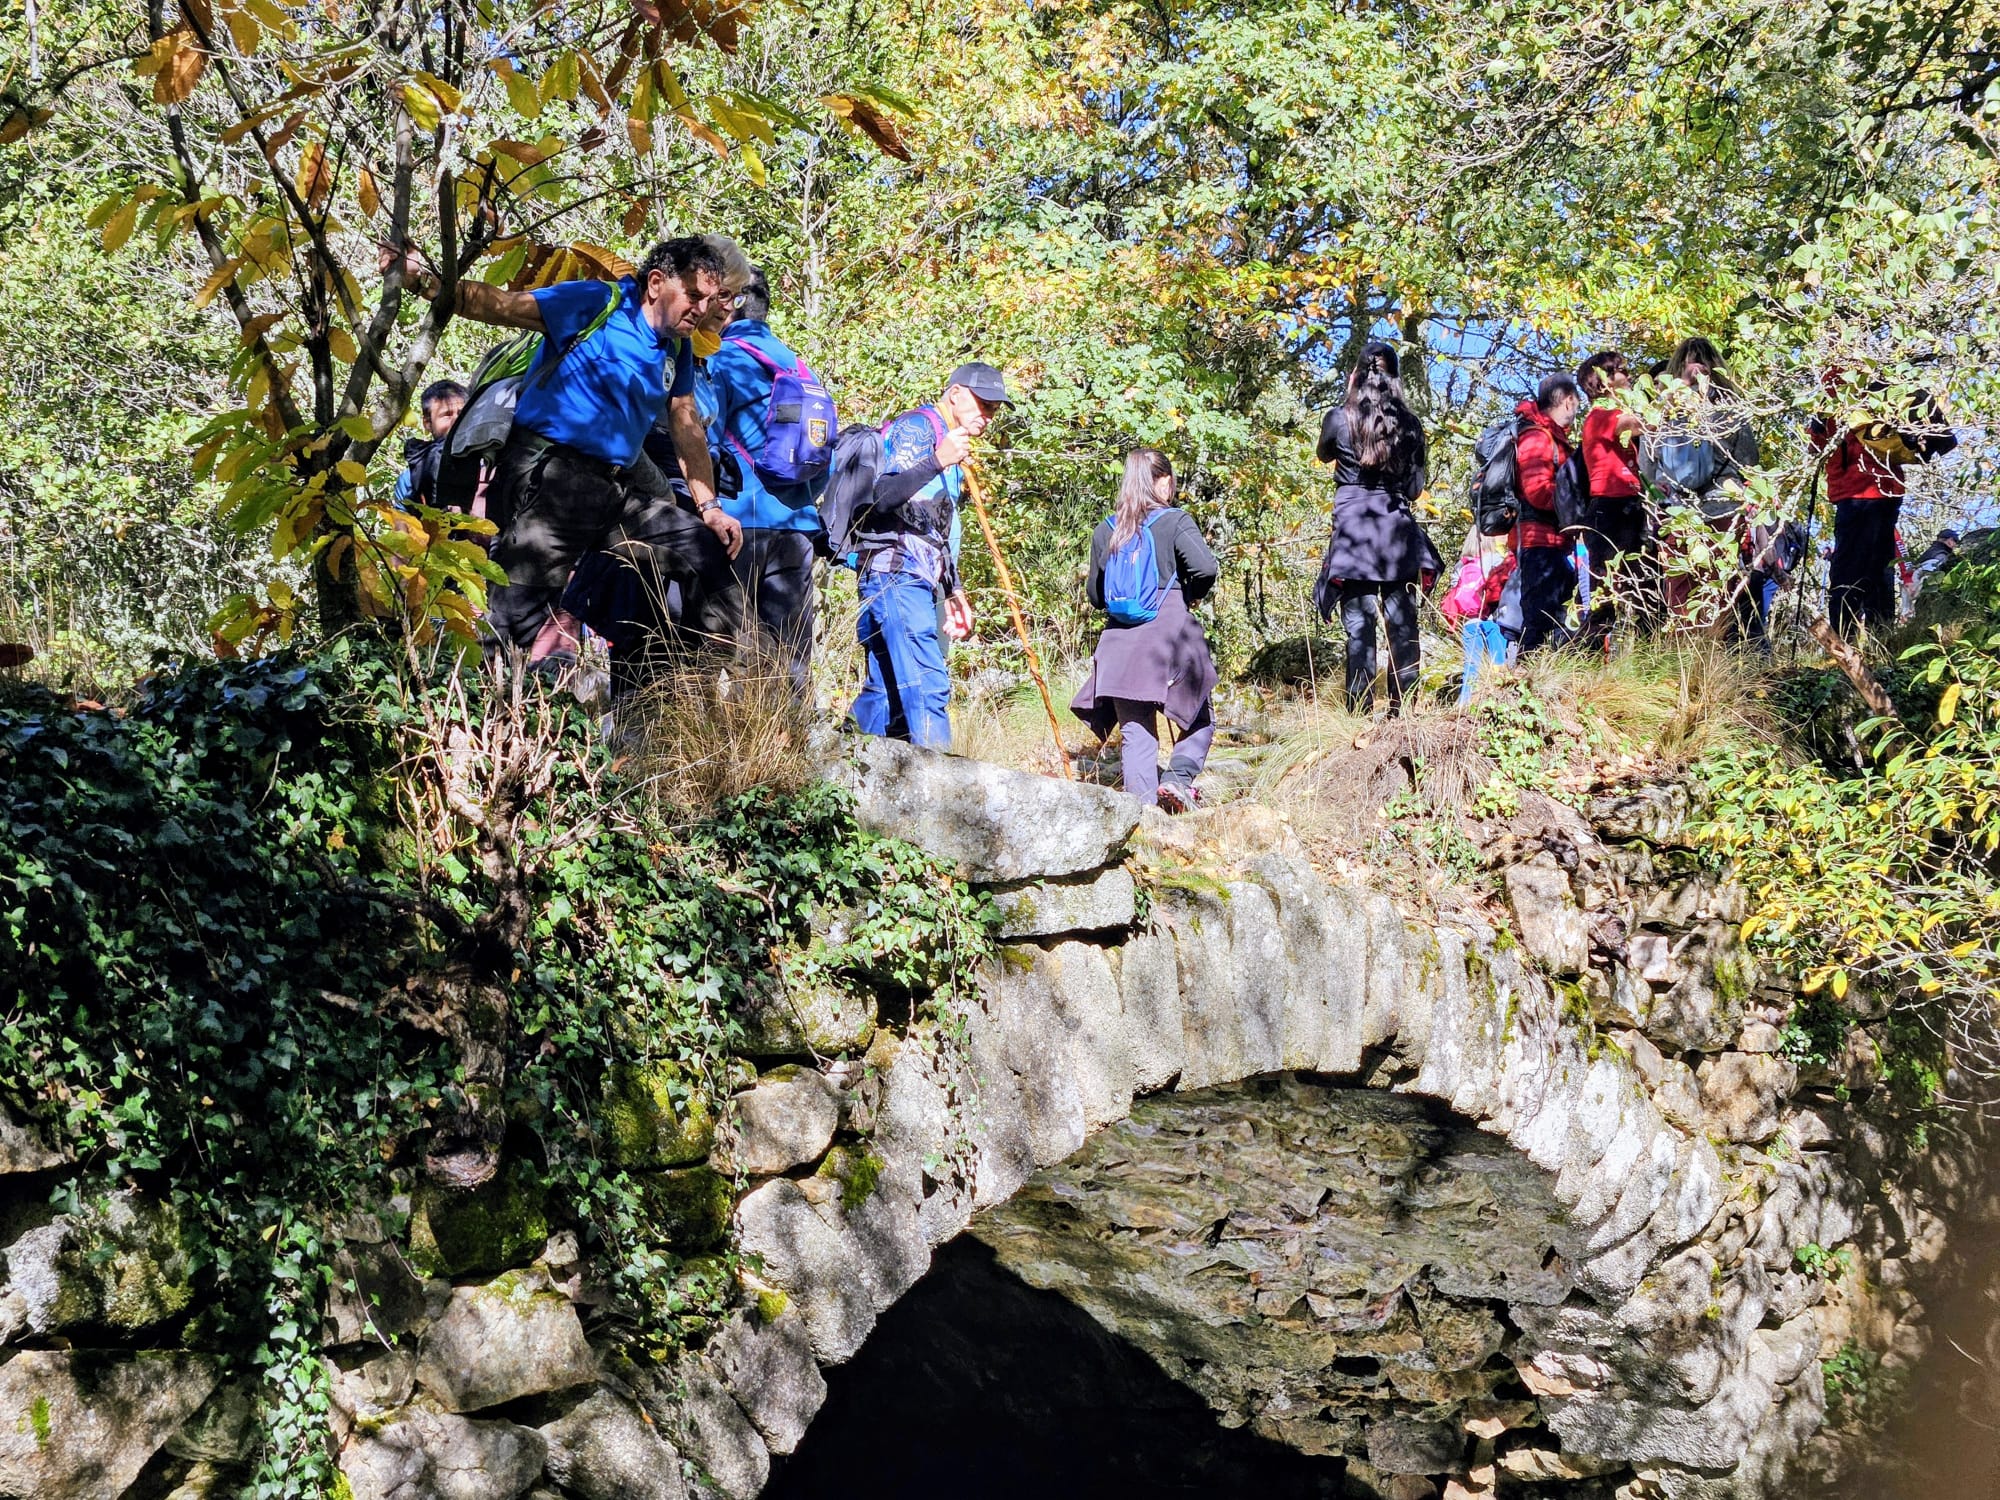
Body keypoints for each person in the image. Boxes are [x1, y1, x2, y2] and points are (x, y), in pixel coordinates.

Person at [378, 236, 745, 654]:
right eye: (694, 296)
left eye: (711, 299)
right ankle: (460, 703)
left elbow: (685, 421)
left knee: (704, 553)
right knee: (512, 621)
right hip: (549, 481)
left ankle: (731, 686)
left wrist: (710, 508)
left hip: (614, 490)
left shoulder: (676, 346)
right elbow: (498, 304)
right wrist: (423, 280)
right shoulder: (596, 302)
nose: (702, 309)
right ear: (657, 283)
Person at [848, 363, 1012, 746]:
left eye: (993, 410)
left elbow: (933, 527)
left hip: (912, 578)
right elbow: (885, 497)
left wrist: (953, 590)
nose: (986, 416)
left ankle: (837, 777)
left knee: (885, 695)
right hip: (895, 573)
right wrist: (938, 459)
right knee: (927, 682)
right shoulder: (919, 428)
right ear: (954, 394)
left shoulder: (946, 442)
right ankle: (941, 797)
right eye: (982, 404)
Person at [1070, 450, 1219, 811]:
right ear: (1164, 481)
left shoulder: (1107, 528)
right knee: (1199, 713)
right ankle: (1177, 779)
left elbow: (1094, 595)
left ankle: (1142, 820)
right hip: (1169, 634)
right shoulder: (1175, 521)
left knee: (1136, 731)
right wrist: (1189, 596)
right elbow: (1205, 568)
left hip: (1119, 642)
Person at [708, 266, 829, 686]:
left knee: (724, 650)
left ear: (731, 304)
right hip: (795, 526)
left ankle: (741, 747)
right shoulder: (800, 367)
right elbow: (820, 451)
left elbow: (703, 438)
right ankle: (792, 744)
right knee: (792, 657)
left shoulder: (719, 359)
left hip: (735, 524)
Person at [1312, 341, 1441, 714]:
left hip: (1354, 534)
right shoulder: (1411, 425)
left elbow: (1324, 454)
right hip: (1397, 532)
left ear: (1356, 375)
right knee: (1402, 625)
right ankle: (1406, 712)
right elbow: (1415, 491)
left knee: (1359, 627)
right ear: (1395, 379)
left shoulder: (1339, 419)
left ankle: (1359, 713)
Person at [1809, 374, 1957, 639]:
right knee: (1879, 566)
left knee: (1849, 568)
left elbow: (1817, 447)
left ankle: (1845, 642)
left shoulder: (1835, 392)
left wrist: (1818, 426)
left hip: (1855, 493)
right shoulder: (1884, 384)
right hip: (1888, 490)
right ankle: (1884, 637)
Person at [1641, 337, 1761, 622]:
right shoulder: (1729, 408)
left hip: (1676, 511)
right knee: (1722, 587)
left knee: (1681, 590)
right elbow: (1748, 459)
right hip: (1723, 507)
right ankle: (1720, 657)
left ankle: (1686, 658)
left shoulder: (1660, 411)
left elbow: (1646, 463)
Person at [1575, 352, 1651, 639]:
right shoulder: (1600, 416)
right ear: (1604, 381)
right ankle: (1586, 660)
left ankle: (1647, 656)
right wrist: (1675, 394)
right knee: (1604, 594)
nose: (1628, 376)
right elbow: (1638, 424)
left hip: (1629, 506)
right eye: (1621, 371)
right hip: (1611, 509)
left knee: (1642, 584)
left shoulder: (1611, 413)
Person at [1512, 373, 1585, 656]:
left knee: (1553, 619)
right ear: (1568, 401)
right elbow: (1538, 491)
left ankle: (1542, 683)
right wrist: (1578, 499)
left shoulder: (1549, 437)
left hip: (1554, 543)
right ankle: (1527, 685)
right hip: (1540, 544)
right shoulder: (1536, 438)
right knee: (1541, 621)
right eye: (1577, 403)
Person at [1440, 526, 1516, 705]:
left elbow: (1455, 592)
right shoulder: (1497, 559)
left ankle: (1463, 703)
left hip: (1468, 623)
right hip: (1491, 621)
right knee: (1498, 663)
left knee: (1471, 664)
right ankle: (1499, 700)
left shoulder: (1462, 565)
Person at [395, 380, 468, 509]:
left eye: (462, 414)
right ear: (427, 423)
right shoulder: (410, 479)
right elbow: (402, 526)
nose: (456, 421)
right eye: (447, 415)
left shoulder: (491, 461)